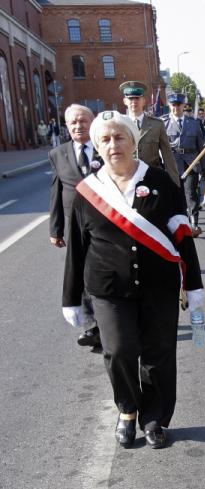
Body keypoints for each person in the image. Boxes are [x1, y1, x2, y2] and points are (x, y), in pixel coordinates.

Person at [62, 110, 204, 449]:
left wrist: (194, 284)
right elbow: (77, 248)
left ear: (133, 141)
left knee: (159, 353)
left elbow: (182, 236)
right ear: (97, 146)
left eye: (120, 137)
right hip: (108, 287)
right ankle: (127, 410)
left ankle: (155, 418)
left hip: (159, 286)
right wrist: (71, 298)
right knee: (119, 349)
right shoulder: (87, 192)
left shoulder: (160, 182)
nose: (114, 145)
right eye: (106, 140)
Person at [49, 104, 102, 349]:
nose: (79, 126)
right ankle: (91, 326)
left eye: (83, 121)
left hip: (106, 223)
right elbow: (56, 192)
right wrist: (55, 229)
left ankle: (110, 320)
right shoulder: (58, 154)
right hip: (75, 225)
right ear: (67, 126)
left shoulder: (106, 147)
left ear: (92, 123)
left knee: (103, 270)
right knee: (80, 271)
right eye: (73, 123)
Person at [120, 80, 180, 186]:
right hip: (127, 179)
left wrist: (175, 183)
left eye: (137, 98)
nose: (134, 102)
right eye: (130, 98)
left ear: (143, 100)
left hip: (152, 177)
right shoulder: (119, 125)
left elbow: (168, 156)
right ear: (125, 101)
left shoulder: (157, 124)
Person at [163, 93, 205, 236]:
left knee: (191, 195)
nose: (176, 108)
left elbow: (201, 146)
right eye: (173, 105)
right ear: (170, 106)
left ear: (183, 106)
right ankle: (179, 223)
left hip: (191, 163)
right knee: (175, 195)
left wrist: (204, 167)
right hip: (172, 165)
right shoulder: (163, 123)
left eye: (179, 105)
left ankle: (194, 224)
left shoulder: (194, 123)